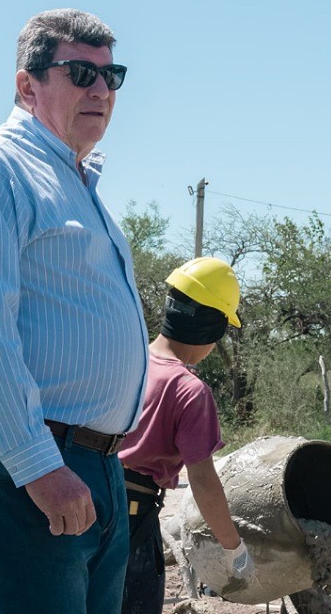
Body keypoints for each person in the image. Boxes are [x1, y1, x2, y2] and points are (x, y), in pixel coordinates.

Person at [0, 8, 147, 614]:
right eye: (81, 73)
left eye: (112, 76)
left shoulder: (76, 181)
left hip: (93, 458)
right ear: (28, 84)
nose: (101, 90)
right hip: (23, 454)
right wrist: (38, 466)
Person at [117, 257, 255, 614]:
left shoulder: (124, 361)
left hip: (93, 501)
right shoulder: (189, 390)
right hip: (133, 518)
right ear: (213, 330)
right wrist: (233, 548)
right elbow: (203, 480)